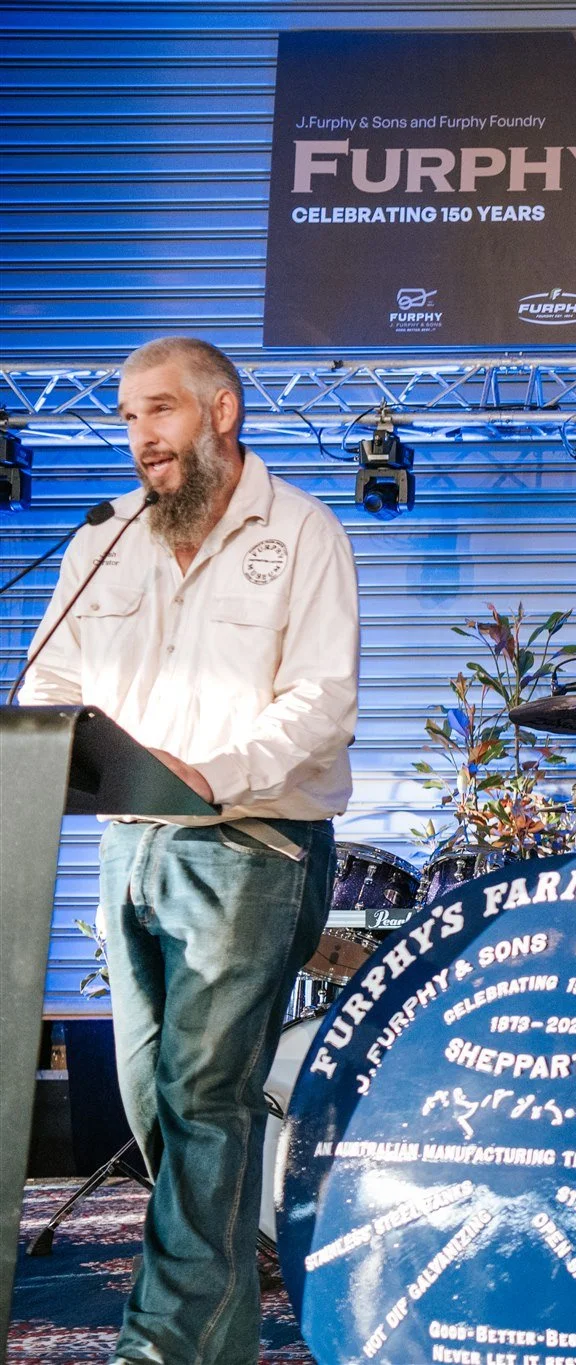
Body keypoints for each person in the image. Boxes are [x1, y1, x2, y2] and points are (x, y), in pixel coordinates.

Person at [18, 336, 359, 1363]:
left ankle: (162, 1344)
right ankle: (221, 1331)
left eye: (156, 412)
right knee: (149, 1095)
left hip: (252, 845)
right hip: (128, 846)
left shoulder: (302, 533)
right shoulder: (103, 537)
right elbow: (49, 679)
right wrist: (57, 746)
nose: (139, 439)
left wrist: (214, 770)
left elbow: (322, 700)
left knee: (204, 1095)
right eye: (126, 419)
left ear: (220, 412)